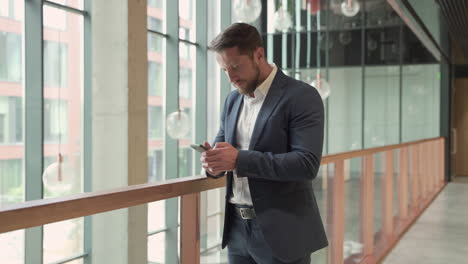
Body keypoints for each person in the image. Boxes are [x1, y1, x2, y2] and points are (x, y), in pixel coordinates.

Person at [200, 23, 328, 264]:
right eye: (224, 70)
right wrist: (212, 163)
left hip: (283, 230)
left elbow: (306, 163)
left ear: (259, 54)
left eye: (236, 66)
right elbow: (222, 148)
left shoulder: (301, 96)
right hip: (237, 229)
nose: (231, 77)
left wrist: (239, 159)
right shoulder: (231, 101)